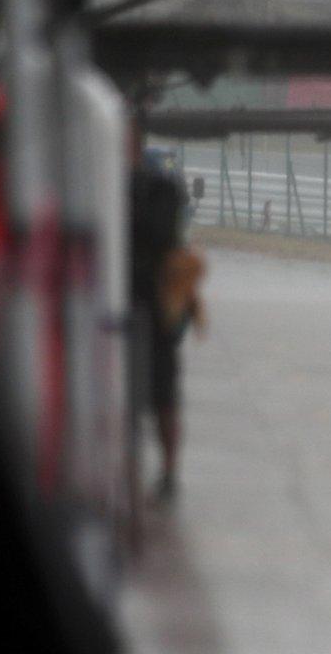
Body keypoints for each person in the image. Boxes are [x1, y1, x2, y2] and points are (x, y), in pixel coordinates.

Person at [130, 137, 194, 501]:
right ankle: (167, 471)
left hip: (155, 310)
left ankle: (168, 471)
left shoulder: (161, 191)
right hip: (154, 313)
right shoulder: (166, 189)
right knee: (163, 396)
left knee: (164, 396)